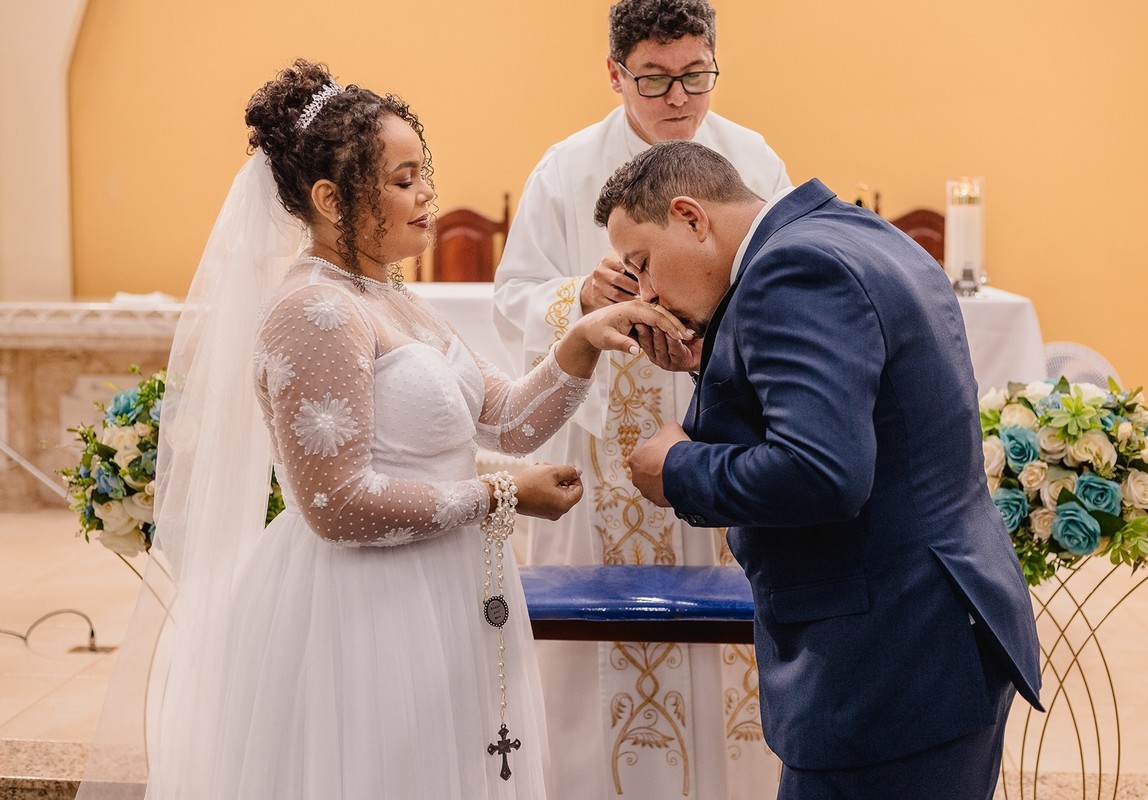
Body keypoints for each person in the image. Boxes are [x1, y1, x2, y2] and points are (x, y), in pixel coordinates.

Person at [76, 60, 691, 800]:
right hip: (362, 613)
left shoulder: (393, 298)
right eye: (403, 180)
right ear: (332, 200)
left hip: (440, 590)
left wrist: (584, 339)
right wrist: (499, 495)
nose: (428, 193)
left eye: (423, 172)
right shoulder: (314, 312)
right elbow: (335, 505)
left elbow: (511, 419)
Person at [594, 141, 1044, 799]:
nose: (649, 294)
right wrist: (705, 360)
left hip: (885, 657)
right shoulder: (850, 230)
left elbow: (821, 470)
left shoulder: (792, 271)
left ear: (691, 217)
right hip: (938, 628)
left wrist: (678, 469)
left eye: (642, 264)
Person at [491, 2, 789, 796]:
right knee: (600, 671)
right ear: (615, 72)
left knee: (732, 662)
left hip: (721, 436)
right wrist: (577, 295)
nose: (678, 98)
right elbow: (512, 296)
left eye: (696, 75)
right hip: (605, 452)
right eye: (654, 79)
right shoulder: (565, 168)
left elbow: (789, 283)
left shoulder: (751, 156)